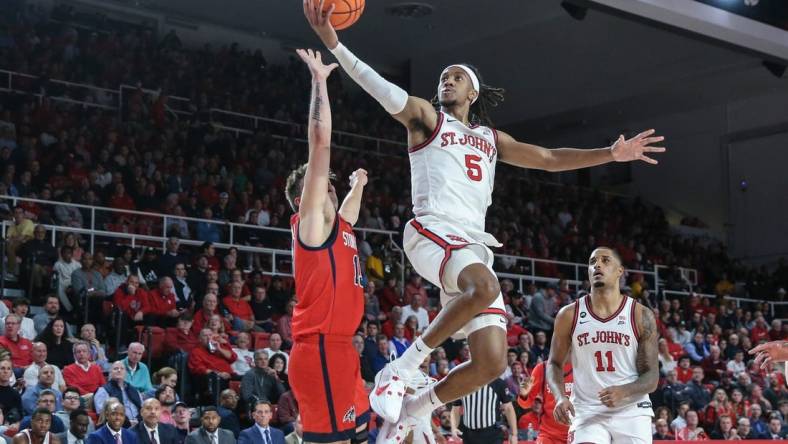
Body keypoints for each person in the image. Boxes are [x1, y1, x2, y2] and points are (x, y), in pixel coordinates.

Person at [304, 2, 666, 439]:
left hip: (472, 246)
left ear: (472, 92)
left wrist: (610, 153)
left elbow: (549, 158)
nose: (446, 81)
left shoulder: (490, 139)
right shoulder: (426, 120)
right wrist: (334, 43)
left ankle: (415, 409)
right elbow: (378, 87)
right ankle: (400, 368)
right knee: (485, 286)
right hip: (431, 231)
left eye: (455, 77)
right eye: (443, 77)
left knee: (492, 362)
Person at [284, 49, 369, 444]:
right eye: (323, 185)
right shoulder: (312, 224)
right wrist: (319, 81)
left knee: (364, 431)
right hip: (318, 351)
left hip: (341, 350)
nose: (328, 185)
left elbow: (348, 213)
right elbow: (320, 145)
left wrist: (358, 187)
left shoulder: (341, 225)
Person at [547, 248, 658, 443]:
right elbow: (554, 363)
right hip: (587, 410)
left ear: (619, 271)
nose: (597, 265)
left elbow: (651, 377)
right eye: (592, 262)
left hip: (631, 410)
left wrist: (624, 391)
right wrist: (560, 397)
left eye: (605, 261)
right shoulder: (569, 315)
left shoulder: (640, 315)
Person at [518, 361, 572, 444]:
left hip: (577, 432)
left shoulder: (582, 366)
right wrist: (524, 394)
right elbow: (525, 404)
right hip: (549, 435)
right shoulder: (542, 368)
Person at [450, 379, 517, 444]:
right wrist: (453, 428)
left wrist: (514, 434)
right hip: (468, 435)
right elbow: (455, 409)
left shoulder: (497, 383)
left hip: (493, 434)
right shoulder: (461, 384)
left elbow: (508, 408)